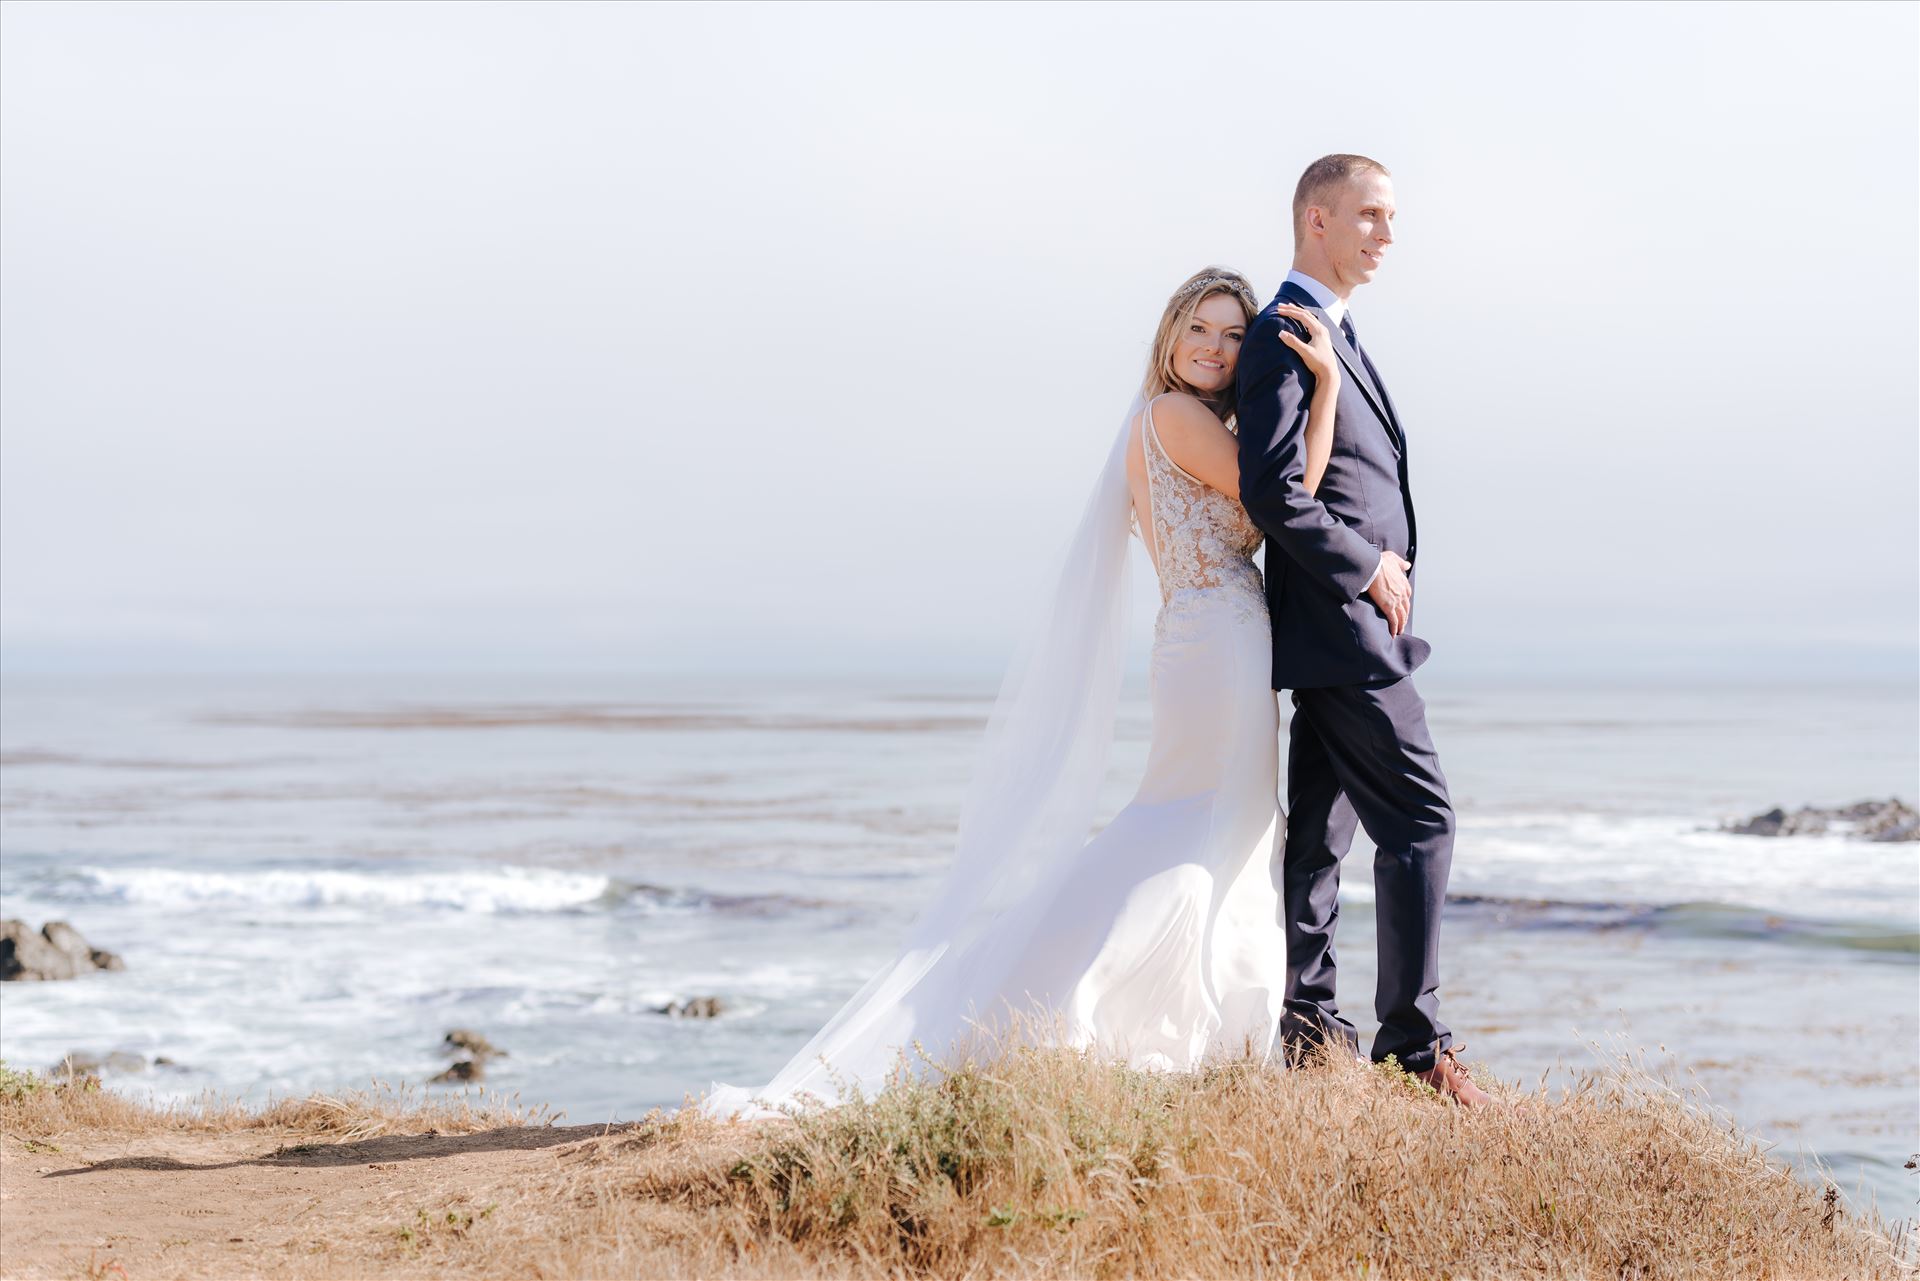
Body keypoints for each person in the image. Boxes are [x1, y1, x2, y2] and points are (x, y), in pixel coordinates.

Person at [698, 268, 1344, 1120]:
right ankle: (1080, 1003)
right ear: (1169, 332)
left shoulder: (1156, 424)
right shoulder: (1173, 416)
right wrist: (1325, 387)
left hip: (1202, 639)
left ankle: (1164, 1019)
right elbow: (1281, 494)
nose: (1217, 349)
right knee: (1200, 828)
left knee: (1204, 823)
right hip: (1219, 641)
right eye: (1202, 328)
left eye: (1233, 335)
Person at [1235, 153, 1490, 1106]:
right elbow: (1273, 492)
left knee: (1318, 840)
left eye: (1392, 218)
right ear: (1316, 219)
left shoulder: (1335, 333)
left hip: (1341, 631)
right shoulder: (1282, 334)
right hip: (1345, 631)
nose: (1388, 234)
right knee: (1423, 822)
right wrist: (1370, 564)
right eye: (1372, 215)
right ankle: (1416, 1049)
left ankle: (1308, 1021)